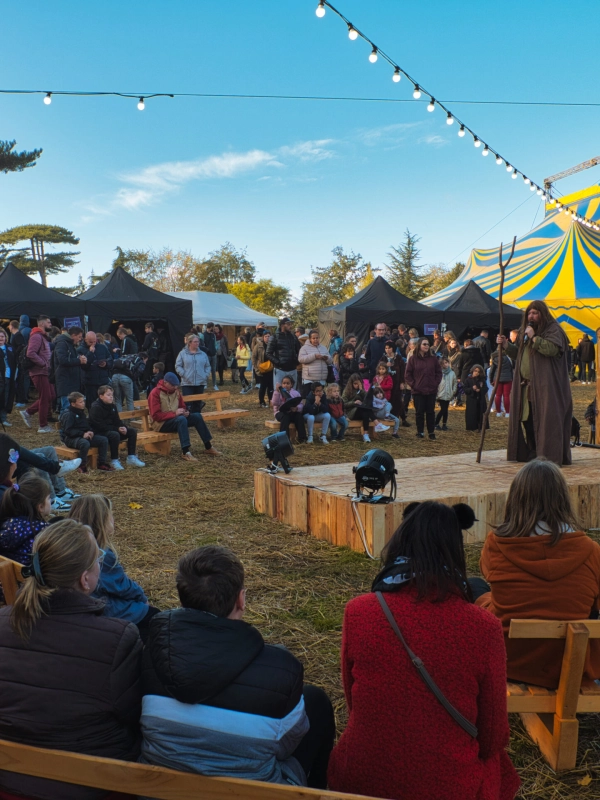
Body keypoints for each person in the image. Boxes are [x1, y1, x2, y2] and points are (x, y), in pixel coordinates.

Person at [328, 501, 520, 800]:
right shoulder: (484, 628)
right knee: (499, 767)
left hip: (361, 780)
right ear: (454, 550)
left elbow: (356, 704)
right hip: (449, 787)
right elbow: (493, 735)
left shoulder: (359, 612)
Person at [140, 545, 335, 787]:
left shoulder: (151, 654)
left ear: (183, 598)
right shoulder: (282, 668)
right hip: (253, 791)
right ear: (241, 600)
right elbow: (286, 745)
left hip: (163, 789)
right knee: (315, 701)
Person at [0, 519, 143, 800]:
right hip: (88, 784)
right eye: (98, 559)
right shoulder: (117, 639)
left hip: (8, 778)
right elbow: (134, 717)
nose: (101, 564)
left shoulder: (3, 620)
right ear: (85, 579)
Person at [473, 458, 600, 689]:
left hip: (508, 659)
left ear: (516, 499)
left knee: (474, 587)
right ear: (562, 498)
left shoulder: (496, 544)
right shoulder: (591, 552)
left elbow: (490, 576)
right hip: (569, 663)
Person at [68, 494, 160, 643]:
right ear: (102, 521)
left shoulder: (69, 547)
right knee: (155, 617)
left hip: (87, 604)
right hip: (104, 609)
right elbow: (122, 587)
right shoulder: (101, 554)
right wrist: (142, 599)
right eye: (111, 515)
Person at [497, 300, 573, 465]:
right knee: (527, 420)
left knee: (546, 421)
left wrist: (534, 338)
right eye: (529, 313)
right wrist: (506, 346)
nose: (531, 316)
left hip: (546, 388)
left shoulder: (553, 330)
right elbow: (519, 355)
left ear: (543, 314)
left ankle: (548, 456)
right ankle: (533, 453)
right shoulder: (525, 332)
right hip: (526, 388)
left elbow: (552, 350)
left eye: (535, 313)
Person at [148, 372, 221, 461]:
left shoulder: (176, 391)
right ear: (165, 383)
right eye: (172, 385)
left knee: (197, 416)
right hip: (160, 424)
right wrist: (175, 414)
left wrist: (186, 412)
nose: (175, 387)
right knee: (181, 420)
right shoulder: (155, 393)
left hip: (175, 419)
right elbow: (156, 416)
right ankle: (185, 451)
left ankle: (208, 446)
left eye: (176, 385)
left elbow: (182, 406)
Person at [89, 385, 146, 470]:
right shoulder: (96, 408)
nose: (111, 397)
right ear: (101, 396)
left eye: (112, 395)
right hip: (100, 432)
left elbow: (117, 420)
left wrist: (123, 427)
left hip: (111, 429)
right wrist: (116, 429)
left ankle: (131, 457)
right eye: (108, 395)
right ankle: (114, 460)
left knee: (132, 431)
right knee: (114, 435)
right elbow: (99, 425)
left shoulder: (112, 406)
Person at [0, 474, 51, 568]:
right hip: (30, 581)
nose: (51, 501)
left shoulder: (8, 525)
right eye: (49, 498)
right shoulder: (43, 532)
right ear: (40, 507)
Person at [60, 391, 113, 472]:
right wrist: (82, 434)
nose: (83, 403)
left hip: (82, 436)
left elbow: (86, 425)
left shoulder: (81, 412)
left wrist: (90, 431)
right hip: (70, 438)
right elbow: (68, 431)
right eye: (80, 402)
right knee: (85, 443)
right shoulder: (69, 414)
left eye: (83, 401)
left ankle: (102, 463)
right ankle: (82, 465)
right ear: (73, 404)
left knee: (103, 440)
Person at [20, 314, 55, 433]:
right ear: (42, 324)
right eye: (48, 322)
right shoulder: (36, 336)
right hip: (39, 372)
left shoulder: (43, 336)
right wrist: (43, 364)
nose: (50, 324)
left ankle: (28, 412)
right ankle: (43, 426)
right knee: (45, 397)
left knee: (51, 395)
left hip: (45, 372)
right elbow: (31, 353)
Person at [405, 338, 442, 440]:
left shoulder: (433, 359)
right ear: (419, 346)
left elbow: (439, 372)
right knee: (419, 412)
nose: (426, 346)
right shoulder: (413, 359)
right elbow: (408, 374)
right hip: (418, 390)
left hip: (431, 390)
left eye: (428, 344)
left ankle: (431, 432)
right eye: (424, 344)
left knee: (430, 412)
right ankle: (420, 431)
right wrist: (414, 385)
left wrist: (435, 383)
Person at [53, 325, 87, 412]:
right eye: (79, 337)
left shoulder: (70, 344)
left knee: (72, 409)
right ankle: (64, 425)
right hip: (65, 382)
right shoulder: (62, 343)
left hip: (71, 382)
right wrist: (79, 361)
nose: (80, 339)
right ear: (73, 335)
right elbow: (62, 360)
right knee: (66, 409)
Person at [175, 333, 211, 413]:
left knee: (197, 403)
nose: (197, 343)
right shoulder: (183, 353)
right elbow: (178, 365)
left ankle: (197, 419)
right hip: (187, 383)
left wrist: (205, 375)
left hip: (200, 382)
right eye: (195, 342)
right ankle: (188, 420)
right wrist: (184, 374)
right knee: (187, 403)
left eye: (198, 342)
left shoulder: (203, 354)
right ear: (189, 342)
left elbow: (208, 366)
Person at [78, 330, 113, 409]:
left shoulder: (102, 347)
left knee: (106, 403)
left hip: (103, 380)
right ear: (85, 339)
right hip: (90, 382)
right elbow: (84, 366)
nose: (93, 343)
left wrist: (106, 364)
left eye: (95, 341)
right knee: (92, 404)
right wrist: (90, 353)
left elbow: (110, 359)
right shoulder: (80, 350)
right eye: (90, 342)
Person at [267, 317, 301, 389]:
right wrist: (278, 362)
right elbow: (268, 353)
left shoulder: (293, 337)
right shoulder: (274, 337)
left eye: (291, 324)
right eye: (288, 324)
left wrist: (296, 361)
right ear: (282, 325)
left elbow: (299, 350)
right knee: (278, 391)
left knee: (292, 392)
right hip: (280, 369)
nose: (290, 326)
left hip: (292, 369)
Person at [272, 375, 307, 443]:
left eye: (288, 383)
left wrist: (297, 408)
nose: (286, 385)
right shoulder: (278, 392)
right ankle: (284, 439)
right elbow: (275, 403)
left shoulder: (296, 393)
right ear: (281, 384)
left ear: (292, 384)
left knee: (299, 417)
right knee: (285, 417)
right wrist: (277, 392)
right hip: (280, 413)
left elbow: (301, 404)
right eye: (284, 383)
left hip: (292, 412)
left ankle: (302, 438)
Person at [298, 329, 332, 396]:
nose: (315, 340)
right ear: (310, 339)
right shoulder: (304, 348)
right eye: (313, 338)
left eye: (317, 338)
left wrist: (327, 358)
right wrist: (314, 356)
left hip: (321, 379)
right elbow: (301, 359)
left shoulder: (323, 348)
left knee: (321, 399)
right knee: (309, 399)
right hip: (309, 379)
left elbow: (330, 361)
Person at [342, 373, 373, 443]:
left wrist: (361, 390)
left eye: (358, 384)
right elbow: (343, 404)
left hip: (361, 411)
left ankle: (365, 434)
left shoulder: (361, 390)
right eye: (355, 384)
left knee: (366, 410)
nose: (356, 385)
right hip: (351, 412)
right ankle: (375, 421)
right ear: (351, 383)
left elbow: (367, 399)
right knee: (365, 409)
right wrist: (354, 403)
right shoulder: (347, 391)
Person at [463, 365, 489, 432]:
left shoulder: (482, 380)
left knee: (480, 413)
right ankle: (472, 427)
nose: (476, 373)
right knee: (472, 413)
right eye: (475, 371)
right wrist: (472, 389)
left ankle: (480, 427)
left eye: (478, 371)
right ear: (472, 371)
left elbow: (485, 388)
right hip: (472, 400)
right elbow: (465, 390)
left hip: (480, 400)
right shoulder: (468, 380)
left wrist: (480, 390)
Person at [490, 346, 513, 418]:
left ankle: (498, 412)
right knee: (506, 396)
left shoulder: (494, 357)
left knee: (498, 395)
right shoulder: (509, 357)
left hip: (497, 378)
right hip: (508, 378)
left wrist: (491, 380)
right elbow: (512, 367)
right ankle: (507, 413)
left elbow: (492, 370)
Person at [253, 330, 274, 408]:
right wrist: (256, 367)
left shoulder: (272, 345)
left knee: (271, 386)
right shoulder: (258, 346)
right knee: (263, 386)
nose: (267, 338)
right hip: (262, 369)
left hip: (271, 369)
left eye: (269, 336)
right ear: (263, 337)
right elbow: (254, 357)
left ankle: (271, 400)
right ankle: (262, 401)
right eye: (266, 336)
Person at [435, 356, 457, 431]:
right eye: (443, 363)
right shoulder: (439, 373)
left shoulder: (452, 373)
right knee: (443, 409)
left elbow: (455, 383)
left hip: (448, 393)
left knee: (445, 409)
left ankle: (444, 424)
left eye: (446, 362)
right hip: (441, 393)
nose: (445, 364)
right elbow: (436, 383)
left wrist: (453, 392)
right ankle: (436, 423)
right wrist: (437, 392)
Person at [0, 327, 16, 427]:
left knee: (6, 397)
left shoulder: (10, 349)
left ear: (5, 338)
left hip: (9, 376)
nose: (1, 338)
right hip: (0, 377)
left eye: (2, 336)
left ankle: (3, 418)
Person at [202, 322, 219, 391]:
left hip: (213, 354)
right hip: (207, 355)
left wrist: (215, 350)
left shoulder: (213, 335)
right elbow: (202, 345)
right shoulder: (203, 335)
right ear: (211, 327)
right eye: (213, 327)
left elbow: (215, 343)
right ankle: (205, 383)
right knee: (206, 370)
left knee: (213, 370)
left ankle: (214, 384)